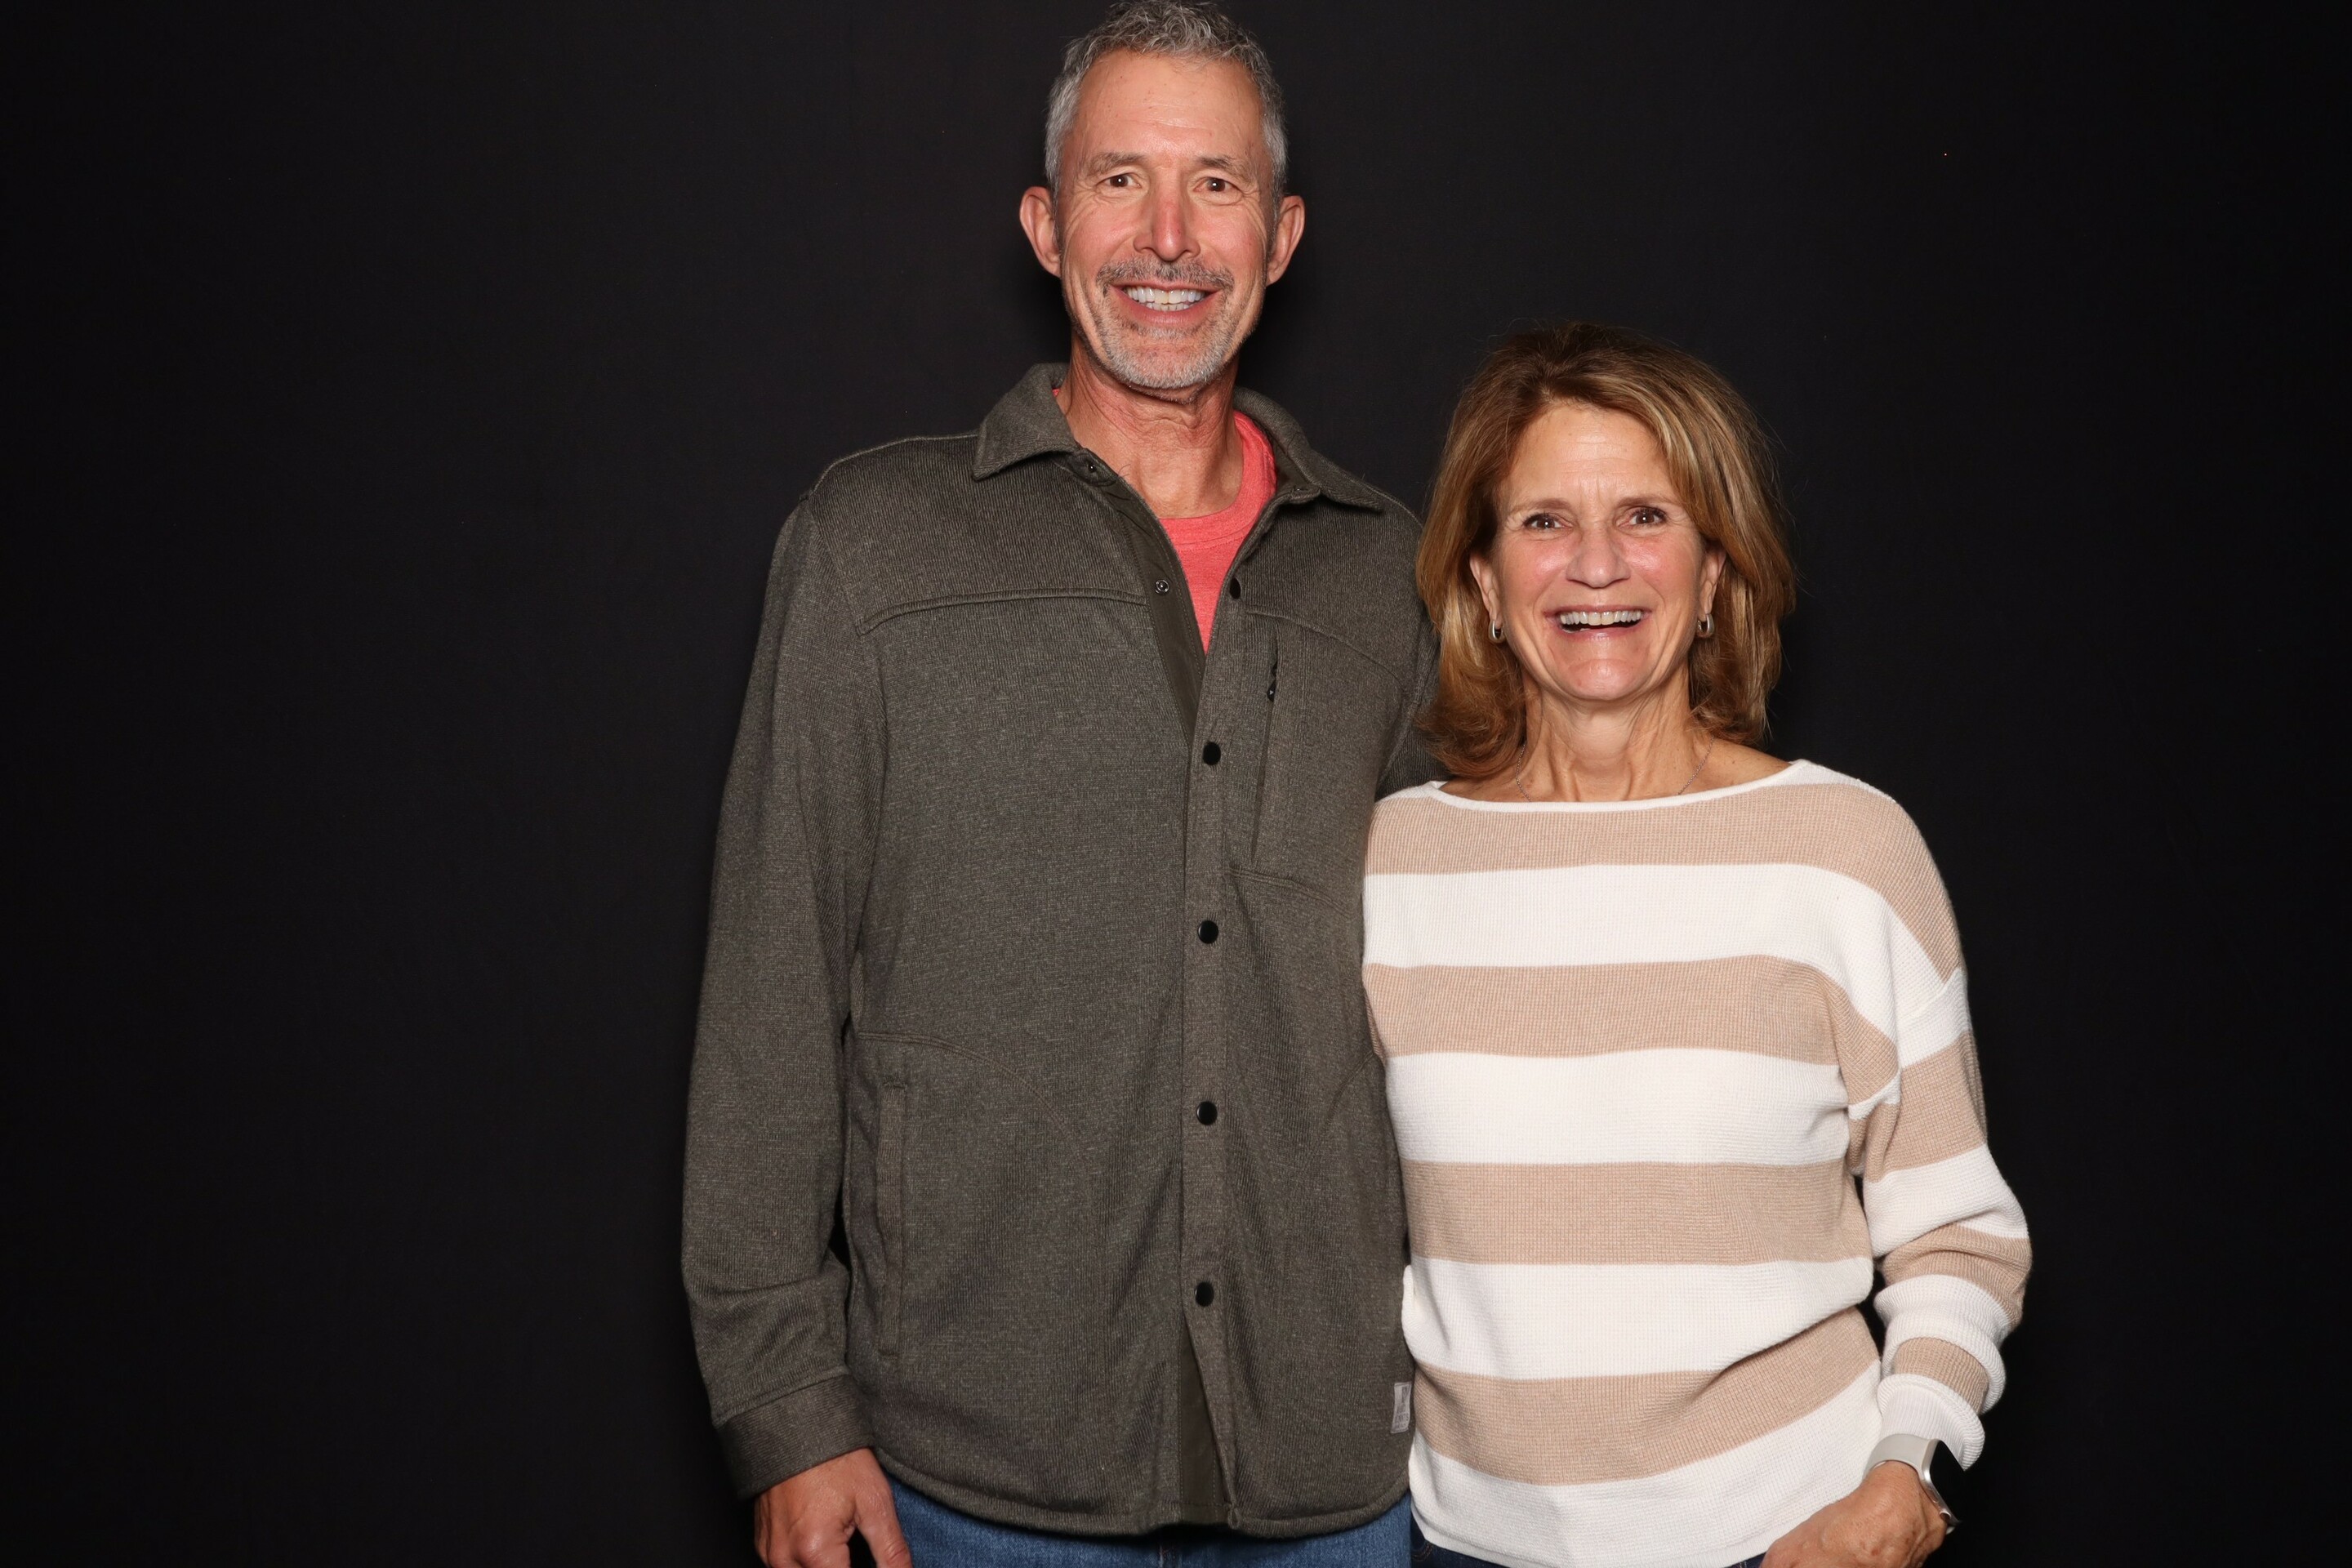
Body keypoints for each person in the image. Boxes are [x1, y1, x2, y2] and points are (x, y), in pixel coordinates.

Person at [682, 5, 1438, 1565]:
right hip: (966, 1484)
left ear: (1283, 236)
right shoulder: (874, 551)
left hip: (1335, 1485)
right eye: (1119, 181)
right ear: (1045, 225)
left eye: (1216, 185)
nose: (1168, 237)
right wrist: (786, 1408)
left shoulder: (1392, 578)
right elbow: (772, 993)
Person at [1364, 323, 2030, 1568]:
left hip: (1786, 1537)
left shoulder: (1845, 850)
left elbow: (1959, 1232)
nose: (1596, 564)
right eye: (1545, 522)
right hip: (1463, 1549)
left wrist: (1905, 1478)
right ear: (1483, 582)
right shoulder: (1394, 862)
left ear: (1717, 570)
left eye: (1647, 517)